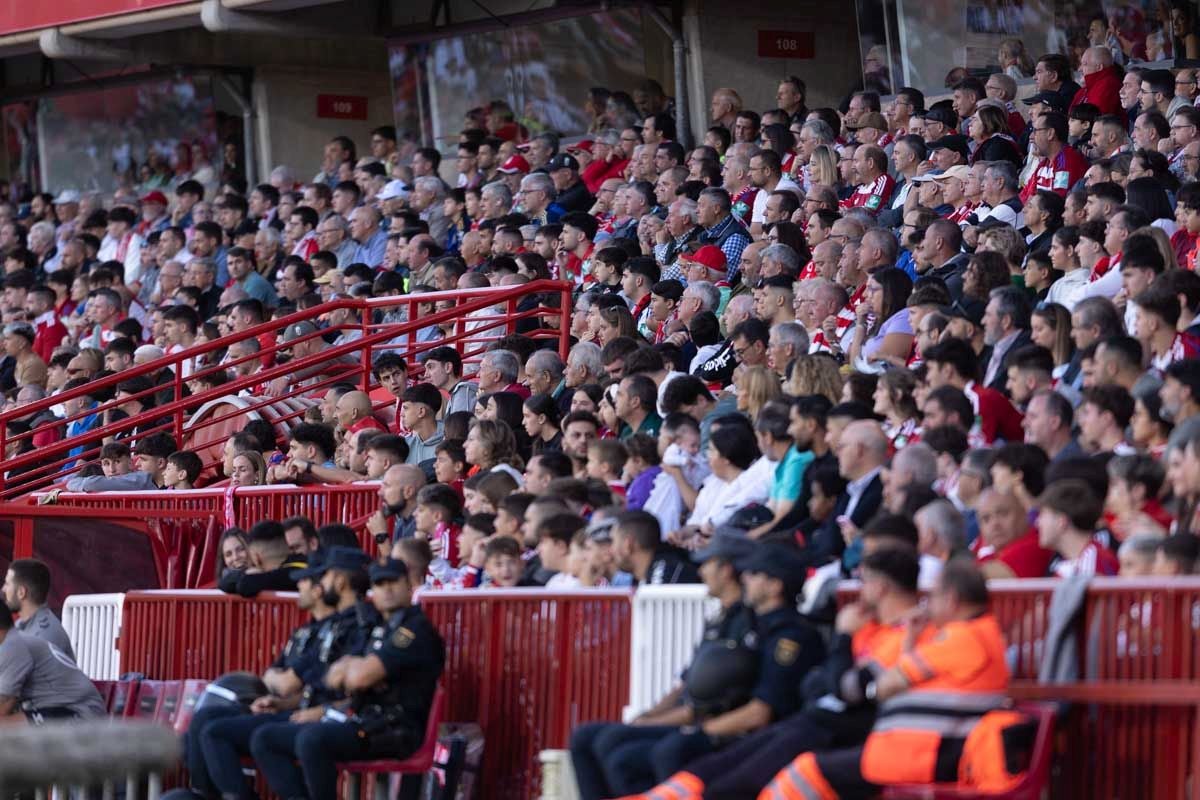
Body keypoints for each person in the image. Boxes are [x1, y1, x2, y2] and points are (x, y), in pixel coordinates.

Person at [624, 548, 924, 800]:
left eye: (865, 581)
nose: (860, 589)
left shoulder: (900, 635)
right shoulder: (867, 626)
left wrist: (843, 640)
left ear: (880, 587)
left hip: (843, 732)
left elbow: (844, 688)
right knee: (709, 772)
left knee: (727, 785)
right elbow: (821, 684)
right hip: (811, 720)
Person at [573, 539, 823, 800]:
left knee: (654, 752)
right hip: (718, 723)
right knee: (591, 737)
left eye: (754, 573)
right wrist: (649, 717)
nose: (745, 578)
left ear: (775, 585)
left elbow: (760, 712)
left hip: (758, 736)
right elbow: (694, 683)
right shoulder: (748, 623)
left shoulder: (791, 636)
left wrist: (700, 730)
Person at [761, 559, 1012, 799]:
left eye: (933, 596)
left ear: (952, 600)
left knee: (804, 773)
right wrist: (912, 639)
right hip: (923, 752)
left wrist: (874, 689)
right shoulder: (985, 633)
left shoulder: (960, 638)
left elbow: (887, 685)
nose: (927, 603)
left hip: (916, 756)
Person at [251, 557, 444, 800]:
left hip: (397, 730)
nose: (387, 589)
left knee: (312, 739)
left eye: (393, 582)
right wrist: (352, 670)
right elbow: (335, 675)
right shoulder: (378, 627)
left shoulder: (413, 629)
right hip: (367, 721)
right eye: (380, 584)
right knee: (266, 738)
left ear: (409, 586)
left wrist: (354, 670)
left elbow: (359, 678)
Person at [0, 602, 105, 723]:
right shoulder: (12, 641)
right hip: (61, 709)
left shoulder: (12, 646)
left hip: (80, 712)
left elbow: (3, 706)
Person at [2, 559, 74, 660]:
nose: (3, 589)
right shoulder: (21, 625)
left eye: (7, 584)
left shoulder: (44, 636)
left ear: (21, 592)